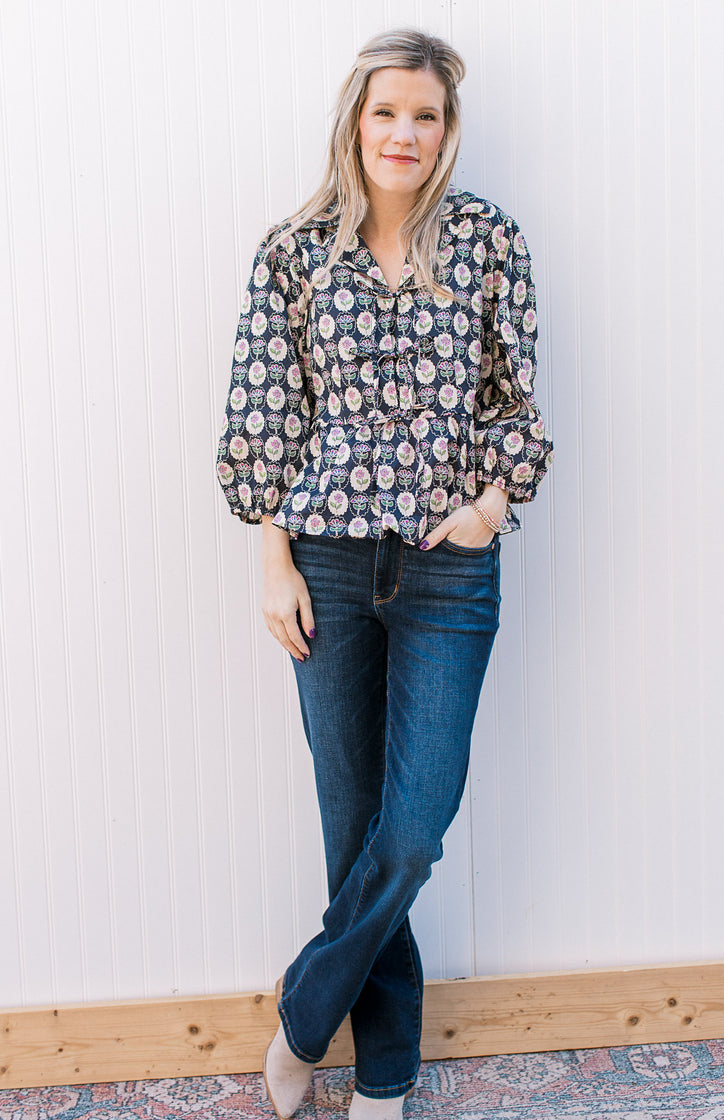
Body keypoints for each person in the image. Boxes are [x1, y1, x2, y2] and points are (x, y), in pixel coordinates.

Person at [216, 27, 552, 1120]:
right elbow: (263, 414)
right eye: (385, 112)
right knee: (352, 824)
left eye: (426, 115)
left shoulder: (490, 244)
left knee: (410, 828)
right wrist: (271, 559)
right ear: (353, 121)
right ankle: (388, 1077)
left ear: (447, 131)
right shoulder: (292, 252)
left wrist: (489, 505)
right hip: (322, 559)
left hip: (448, 569)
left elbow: (513, 399)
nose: (404, 133)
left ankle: (305, 1012)